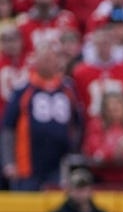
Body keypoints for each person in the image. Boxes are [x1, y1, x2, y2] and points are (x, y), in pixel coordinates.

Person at [0, 36, 82, 191]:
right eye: (44, 59)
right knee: (26, 211)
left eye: (52, 58)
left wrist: (73, 150)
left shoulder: (68, 89)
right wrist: (9, 162)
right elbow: (8, 127)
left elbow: (77, 124)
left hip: (59, 163)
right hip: (28, 165)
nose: (49, 63)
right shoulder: (24, 89)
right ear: (36, 61)